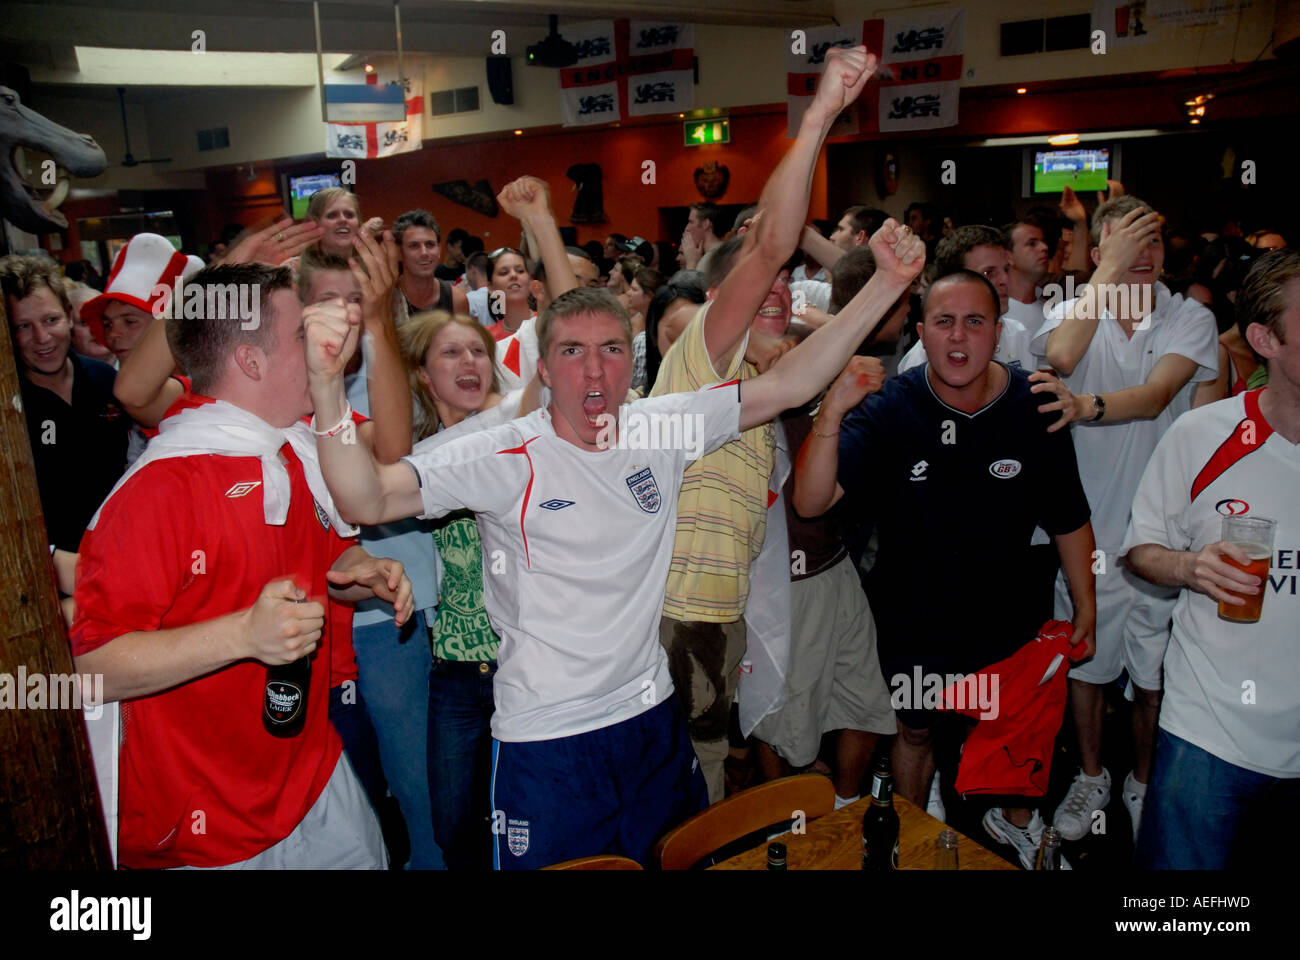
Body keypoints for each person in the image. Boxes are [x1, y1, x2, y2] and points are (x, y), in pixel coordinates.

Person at [304, 198, 924, 871]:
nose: (594, 372)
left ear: (629, 363)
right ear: (544, 368)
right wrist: (327, 387)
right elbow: (365, 496)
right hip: (549, 739)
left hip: (653, 719)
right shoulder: (503, 453)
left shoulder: (657, 428)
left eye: (608, 351)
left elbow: (791, 381)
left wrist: (889, 286)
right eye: (572, 352)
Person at [69, 262, 414, 869]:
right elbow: (91, 669)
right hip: (201, 824)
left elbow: (322, 558)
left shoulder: (293, 451)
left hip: (311, 778)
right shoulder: (159, 490)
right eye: (300, 337)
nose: (322, 349)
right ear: (251, 363)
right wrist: (240, 636)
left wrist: (359, 568)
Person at [792, 270, 1098, 868]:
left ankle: (1015, 823)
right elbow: (810, 502)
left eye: (975, 321)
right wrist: (831, 411)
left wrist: (1086, 601)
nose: (959, 337)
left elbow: (1068, 516)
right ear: (921, 331)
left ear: (1000, 329)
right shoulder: (888, 407)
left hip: (1011, 611)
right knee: (916, 732)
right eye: (943, 321)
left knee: (1016, 732)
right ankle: (911, 831)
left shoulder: (1035, 401)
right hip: (915, 613)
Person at [649, 46, 879, 804]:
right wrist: (817, 117)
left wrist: (894, 284)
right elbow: (772, 243)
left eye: (787, 283)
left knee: (705, 783)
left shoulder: (756, 384)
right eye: (761, 283)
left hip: (723, 617)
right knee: (686, 791)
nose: (777, 286)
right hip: (679, 621)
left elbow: (815, 370)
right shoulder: (701, 357)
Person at [1034, 195, 1219, 845]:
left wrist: (1087, 406)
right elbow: (1058, 353)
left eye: (1155, 242)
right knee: (1086, 668)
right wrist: (1103, 274)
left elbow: (1161, 392)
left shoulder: (1187, 317)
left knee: (1155, 678)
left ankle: (1142, 780)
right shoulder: (1073, 310)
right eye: (1129, 242)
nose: (1145, 254)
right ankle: (1091, 775)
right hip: (1088, 531)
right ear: (1099, 250)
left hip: (1169, 536)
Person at [1123, 248, 1300, 868]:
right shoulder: (1203, 436)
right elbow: (1141, 550)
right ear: (1263, 339)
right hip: (1211, 732)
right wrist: (1191, 567)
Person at [1, 254, 132, 554]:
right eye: (22, 326)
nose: (42, 337)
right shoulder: (8, 408)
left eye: (51, 320)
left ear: (68, 317)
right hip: (50, 576)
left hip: (124, 557)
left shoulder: (105, 379)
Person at [897, 225, 1038, 373]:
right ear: (954, 281)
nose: (1005, 280)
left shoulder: (1019, 336)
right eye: (989, 273)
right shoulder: (922, 359)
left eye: (1007, 270)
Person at [392, 209, 470, 320]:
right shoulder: (388, 299)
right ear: (399, 252)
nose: (424, 253)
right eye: (414, 245)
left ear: (439, 249)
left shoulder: (456, 300)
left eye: (430, 245)